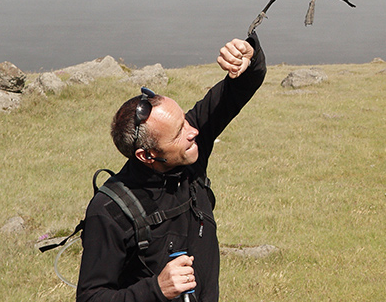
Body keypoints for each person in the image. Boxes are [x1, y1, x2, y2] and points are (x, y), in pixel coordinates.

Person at [76, 33, 266, 302]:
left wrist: (249, 58)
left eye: (185, 121)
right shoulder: (109, 212)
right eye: (179, 132)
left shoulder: (189, 151)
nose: (193, 131)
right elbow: (90, 298)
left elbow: (238, 89)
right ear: (147, 155)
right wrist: (156, 289)